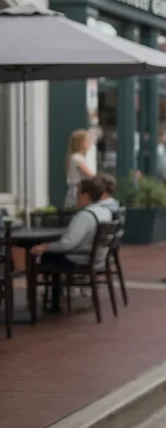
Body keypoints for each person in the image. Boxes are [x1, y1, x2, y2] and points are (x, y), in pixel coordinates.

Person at [30, 177, 113, 312]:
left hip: (79, 258)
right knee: (51, 255)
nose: (75, 196)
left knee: (46, 257)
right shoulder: (105, 212)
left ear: (85, 194)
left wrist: (44, 247)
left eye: (78, 192)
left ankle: (43, 301)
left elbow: (68, 244)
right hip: (98, 258)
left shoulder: (85, 216)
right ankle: (53, 299)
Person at [64, 129, 94, 208]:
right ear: (81, 142)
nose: (90, 142)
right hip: (78, 191)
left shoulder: (77, 157)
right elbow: (90, 175)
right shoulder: (77, 158)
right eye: (88, 140)